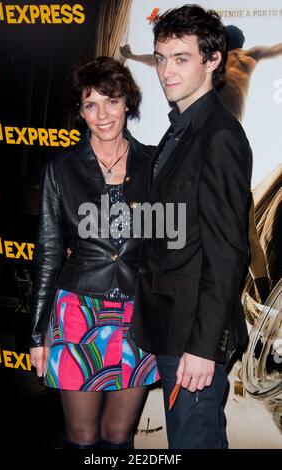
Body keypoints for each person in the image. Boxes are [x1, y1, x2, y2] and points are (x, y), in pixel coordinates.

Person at [132, 5, 252, 449]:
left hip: (192, 337)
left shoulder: (218, 135)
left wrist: (203, 347)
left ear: (213, 60)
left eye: (181, 58)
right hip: (172, 326)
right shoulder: (181, 128)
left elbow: (227, 253)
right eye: (161, 58)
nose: (165, 71)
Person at [29, 56, 160, 450]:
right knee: (82, 438)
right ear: (80, 111)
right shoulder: (61, 168)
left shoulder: (154, 164)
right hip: (77, 314)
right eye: (91, 104)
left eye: (112, 101)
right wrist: (37, 334)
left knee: (118, 436)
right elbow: (48, 252)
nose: (102, 115)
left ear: (128, 105)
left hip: (138, 317)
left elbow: (167, 246)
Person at [120, 26, 282, 305]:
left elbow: (163, 58)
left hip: (217, 146)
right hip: (209, 144)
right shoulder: (243, 57)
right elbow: (165, 58)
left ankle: (262, 295)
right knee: (240, 227)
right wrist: (134, 57)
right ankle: (261, 293)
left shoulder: (213, 61)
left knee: (242, 226)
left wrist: (133, 56)